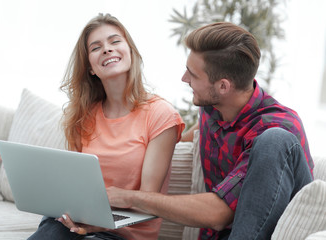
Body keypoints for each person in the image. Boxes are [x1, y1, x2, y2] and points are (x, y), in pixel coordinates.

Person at [106, 22, 314, 239]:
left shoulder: (275, 127)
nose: (184, 79)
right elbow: (192, 136)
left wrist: (132, 198)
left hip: (265, 232)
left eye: (192, 74)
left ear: (223, 87)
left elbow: (219, 214)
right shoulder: (212, 107)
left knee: (276, 140)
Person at [27, 13, 184, 240]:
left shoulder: (161, 114)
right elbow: (72, 186)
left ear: (130, 51)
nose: (107, 49)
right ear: (90, 67)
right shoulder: (83, 116)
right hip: (75, 223)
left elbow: (149, 201)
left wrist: (98, 224)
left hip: (124, 233)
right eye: (96, 47)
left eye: (115, 41)